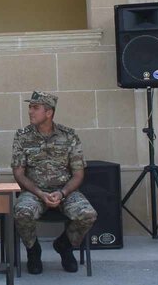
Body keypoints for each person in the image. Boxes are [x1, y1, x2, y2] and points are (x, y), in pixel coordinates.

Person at [11, 90, 97, 275]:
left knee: (88, 214)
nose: (30, 112)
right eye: (30, 107)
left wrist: (63, 193)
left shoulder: (69, 136)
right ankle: (33, 251)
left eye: (35, 108)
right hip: (34, 192)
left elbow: (78, 174)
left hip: (66, 192)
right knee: (22, 213)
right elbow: (18, 173)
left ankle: (64, 245)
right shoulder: (22, 136)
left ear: (49, 112)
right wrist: (40, 193)